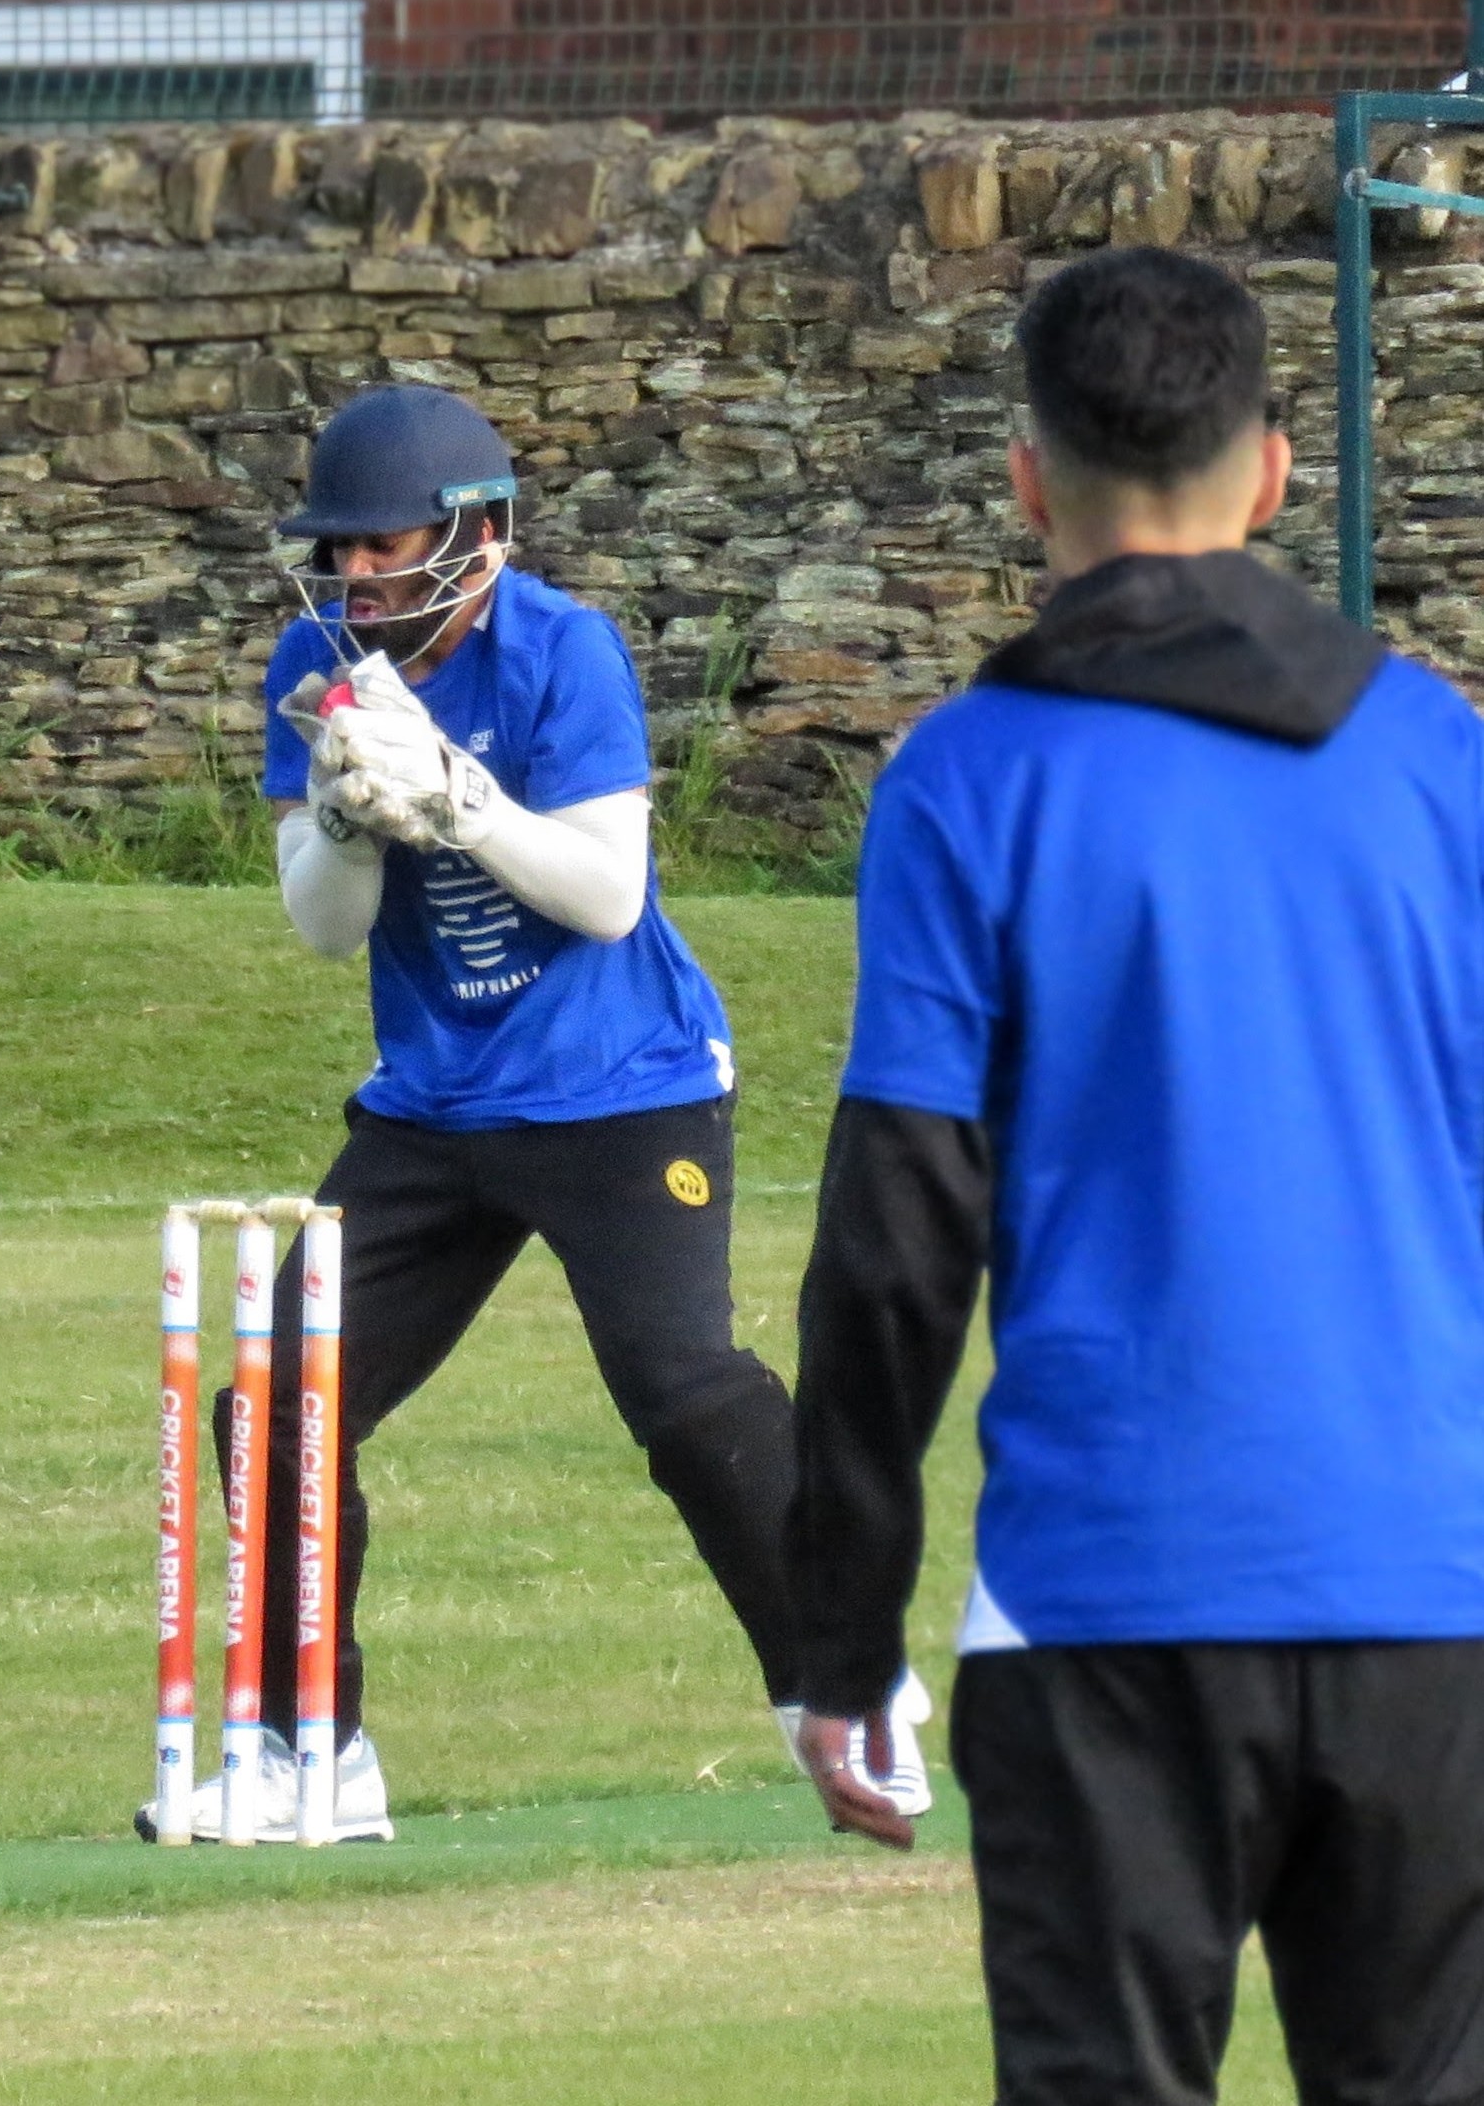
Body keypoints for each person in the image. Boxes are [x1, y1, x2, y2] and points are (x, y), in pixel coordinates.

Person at [787, 246, 1484, 2100]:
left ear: (1026, 476)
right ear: (1271, 469)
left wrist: (838, 1639)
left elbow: (893, 1242)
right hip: (1432, 1591)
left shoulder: (965, 779)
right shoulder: (1439, 757)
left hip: (1108, 1602)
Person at [137, 382, 926, 1843]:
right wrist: (350, 821)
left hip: (623, 1089)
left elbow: (606, 893)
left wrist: (452, 796)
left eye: (384, 549)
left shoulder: (564, 650)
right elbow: (321, 928)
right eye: (341, 552)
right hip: (430, 1104)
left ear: (475, 534)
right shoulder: (309, 667)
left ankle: (846, 1683)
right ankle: (317, 1752)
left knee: (686, 1398)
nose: (357, 580)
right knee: (274, 1409)